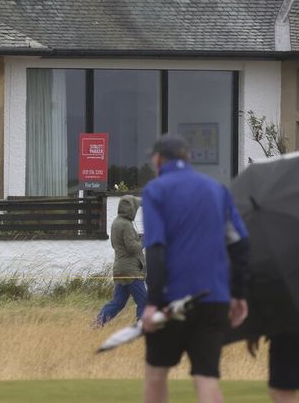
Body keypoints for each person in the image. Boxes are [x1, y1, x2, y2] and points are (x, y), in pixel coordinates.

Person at [140, 134, 251, 403]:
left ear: (158, 159)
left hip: (172, 301)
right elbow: (241, 244)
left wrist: (152, 302)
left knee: (156, 373)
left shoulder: (156, 190)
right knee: (207, 375)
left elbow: (155, 249)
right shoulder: (218, 190)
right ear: (188, 158)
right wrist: (238, 293)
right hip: (214, 297)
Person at [95, 194, 146, 326]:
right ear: (131, 209)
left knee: (118, 302)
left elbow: (116, 244)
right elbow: (133, 248)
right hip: (131, 271)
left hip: (120, 269)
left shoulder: (116, 222)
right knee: (143, 301)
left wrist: (137, 238)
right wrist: (144, 240)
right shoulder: (127, 225)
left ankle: (97, 324)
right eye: (136, 207)